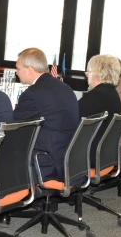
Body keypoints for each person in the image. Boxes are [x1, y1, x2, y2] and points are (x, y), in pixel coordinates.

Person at [13, 48, 79, 182]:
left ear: (29, 70)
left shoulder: (33, 93)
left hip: (47, 161)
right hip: (69, 156)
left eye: (18, 68)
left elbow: (13, 125)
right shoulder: (64, 87)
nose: (16, 72)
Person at [78, 55, 121, 163]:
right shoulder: (112, 93)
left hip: (88, 156)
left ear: (97, 73)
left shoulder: (95, 97)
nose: (86, 74)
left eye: (88, 70)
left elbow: (72, 122)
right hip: (105, 153)